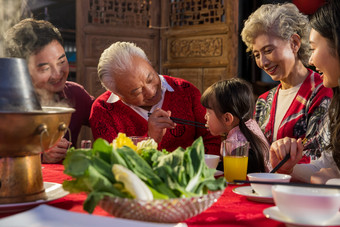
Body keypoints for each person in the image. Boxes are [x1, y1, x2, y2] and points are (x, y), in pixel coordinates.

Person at [90, 41, 221, 155]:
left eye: (150, 78)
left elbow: (212, 139)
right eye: (136, 92)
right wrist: (150, 139)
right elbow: (111, 164)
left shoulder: (186, 91)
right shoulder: (103, 110)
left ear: (150, 64)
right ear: (118, 94)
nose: (151, 91)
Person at [241, 3, 333, 163]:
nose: (263, 62)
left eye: (268, 50)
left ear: (294, 43)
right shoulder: (263, 101)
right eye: (256, 54)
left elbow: (318, 158)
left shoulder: (321, 90)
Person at [4, 18, 94, 163]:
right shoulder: (6, 104)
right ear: (21, 70)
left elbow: (106, 113)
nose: (57, 74)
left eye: (61, 62)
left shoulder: (75, 95)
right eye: (45, 68)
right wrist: (38, 154)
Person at [269, 0, 340, 183]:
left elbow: (328, 175)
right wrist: (289, 168)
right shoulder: (336, 106)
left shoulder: (318, 92)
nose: (310, 60)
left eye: (314, 48)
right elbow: (324, 167)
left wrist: (332, 182)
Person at [201, 78, 270, 172]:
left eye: (208, 112)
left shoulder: (236, 143)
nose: (205, 117)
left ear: (227, 118)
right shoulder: (251, 124)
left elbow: (232, 172)